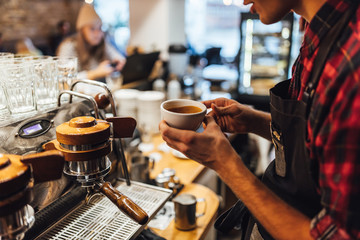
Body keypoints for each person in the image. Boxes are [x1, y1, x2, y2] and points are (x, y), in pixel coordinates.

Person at [159, 0, 360, 239]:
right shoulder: (318, 31)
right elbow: (316, 141)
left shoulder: (351, 63)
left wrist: (225, 163)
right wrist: (254, 122)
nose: (243, 1)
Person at [57, 4, 126, 82]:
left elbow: (117, 57)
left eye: (100, 28)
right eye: (92, 29)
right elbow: (64, 80)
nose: (98, 34)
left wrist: (119, 61)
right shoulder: (68, 46)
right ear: (82, 30)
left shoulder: (101, 43)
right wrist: (94, 73)